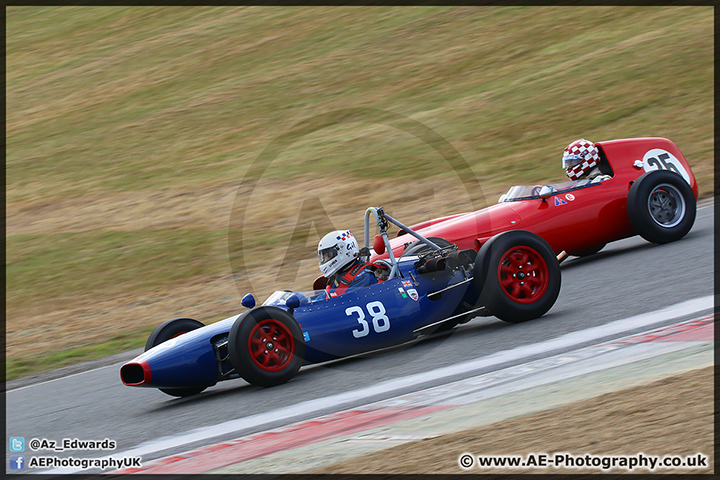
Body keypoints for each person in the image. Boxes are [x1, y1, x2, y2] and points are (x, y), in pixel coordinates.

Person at [317, 229, 377, 298]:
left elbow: (346, 302)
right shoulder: (337, 277)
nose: (325, 260)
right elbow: (324, 298)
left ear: (342, 251)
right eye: (324, 257)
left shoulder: (363, 277)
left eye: (328, 256)